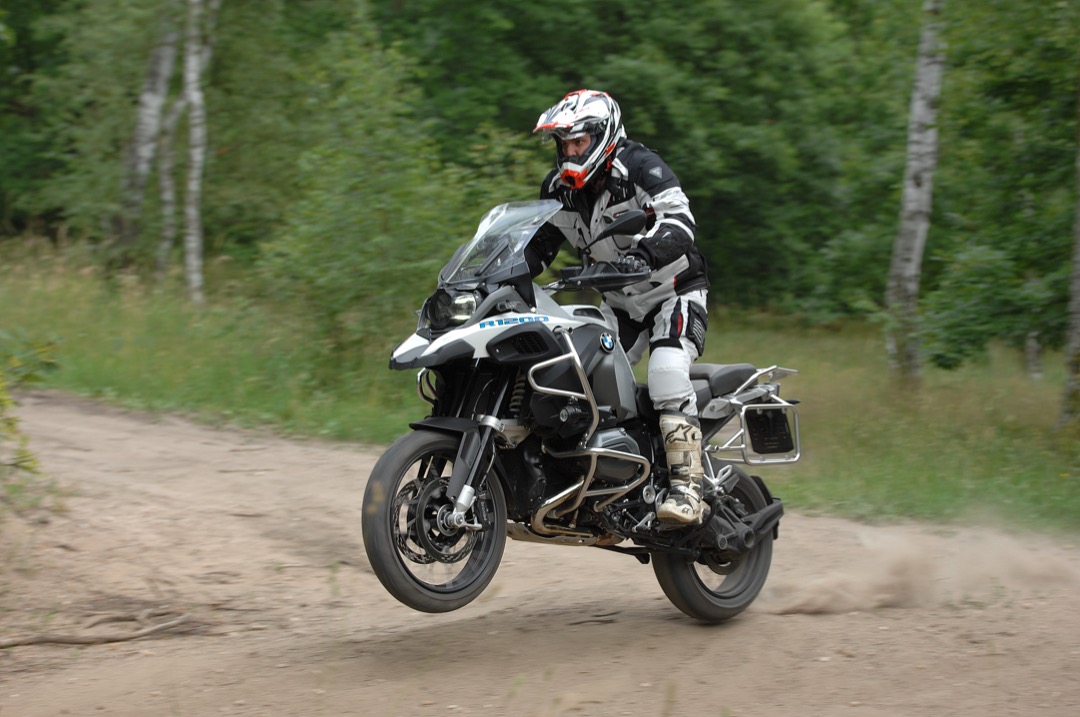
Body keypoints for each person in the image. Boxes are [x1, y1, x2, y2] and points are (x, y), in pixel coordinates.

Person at [526, 89, 710, 524]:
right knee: (575, 378)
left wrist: (643, 256)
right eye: (564, 144)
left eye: (579, 142)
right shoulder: (558, 190)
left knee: (666, 372)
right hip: (620, 305)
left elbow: (680, 221)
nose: (571, 153)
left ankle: (688, 488)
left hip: (673, 292)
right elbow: (536, 247)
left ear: (602, 136)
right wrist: (498, 275)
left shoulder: (641, 167)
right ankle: (601, 479)